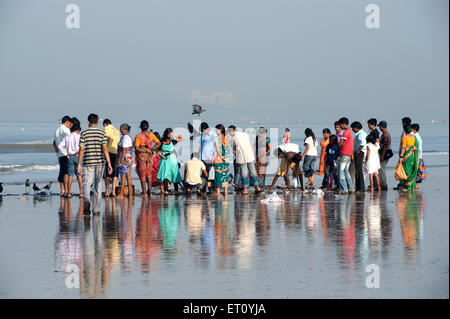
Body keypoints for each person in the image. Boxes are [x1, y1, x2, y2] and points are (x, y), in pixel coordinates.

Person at [77, 113, 113, 214]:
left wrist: (79, 163)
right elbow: (105, 149)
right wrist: (109, 164)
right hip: (100, 162)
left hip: (88, 161)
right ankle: (96, 208)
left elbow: (81, 149)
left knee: (86, 184)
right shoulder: (102, 134)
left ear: (88, 122)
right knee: (98, 184)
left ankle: (87, 200)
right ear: (97, 123)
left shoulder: (84, 134)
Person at [228, 125, 261, 194]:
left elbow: (234, 150)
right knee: (253, 172)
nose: (229, 133)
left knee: (244, 173)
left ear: (232, 131)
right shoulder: (245, 134)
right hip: (249, 155)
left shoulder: (233, 138)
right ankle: (257, 187)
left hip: (241, 157)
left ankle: (245, 189)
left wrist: (237, 157)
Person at [134, 120, 161, 197]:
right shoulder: (151, 135)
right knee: (149, 174)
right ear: (148, 126)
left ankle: (144, 193)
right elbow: (159, 143)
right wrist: (151, 149)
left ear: (140, 127)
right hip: (149, 155)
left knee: (142, 174)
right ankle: (150, 192)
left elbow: (137, 148)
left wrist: (145, 150)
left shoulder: (138, 136)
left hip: (142, 155)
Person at [58, 117, 82, 198]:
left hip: (70, 157)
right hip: (77, 156)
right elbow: (80, 147)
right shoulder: (79, 137)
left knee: (70, 175)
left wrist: (66, 154)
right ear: (78, 129)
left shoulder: (67, 137)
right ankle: (81, 192)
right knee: (79, 175)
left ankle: (68, 192)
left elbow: (60, 146)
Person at [157, 128, 183, 195]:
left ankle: (176, 189)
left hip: (172, 158)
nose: (171, 134)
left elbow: (181, 137)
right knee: (166, 174)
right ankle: (166, 190)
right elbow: (157, 151)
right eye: (170, 133)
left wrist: (174, 135)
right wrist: (163, 156)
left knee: (174, 172)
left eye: (172, 133)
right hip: (165, 158)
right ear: (167, 134)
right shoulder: (161, 141)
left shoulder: (172, 141)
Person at [54, 116, 73, 196]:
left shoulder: (57, 130)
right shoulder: (66, 130)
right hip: (66, 153)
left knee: (62, 171)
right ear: (67, 122)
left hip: (59, 154)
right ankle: (65, 190)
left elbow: (55, 142)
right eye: (70, 124)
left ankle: (62, 190)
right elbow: (68, 142)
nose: (70, 126)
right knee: (66, 173)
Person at [398, 125, 419, 192]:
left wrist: (401, 157)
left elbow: (403, 148)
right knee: (412, 170)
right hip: (413, 156)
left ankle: (407, 187)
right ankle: (412, 187)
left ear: (405, 130)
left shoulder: (405, 137)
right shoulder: (414, 137)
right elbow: (416, 147)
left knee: (407, 171)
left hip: (407, 157)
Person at [103, 119, 120, 197]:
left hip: (108, 152)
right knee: (115, 172)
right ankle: (113, 191)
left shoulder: (106, 128)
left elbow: (106, 139)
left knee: (107, 172)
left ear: (105, 124)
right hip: (116, 152)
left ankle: (107, 191)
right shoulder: (116, 130)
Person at [213, 124, 232, 195]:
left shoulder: (217, 138)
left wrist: (212, 159)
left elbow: (216, 150)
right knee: (225, 175)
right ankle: (225, 191)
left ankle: (218, 192)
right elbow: (229, 149)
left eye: (216, 129)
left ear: (220, 130)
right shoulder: (228, 138)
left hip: (218, 159)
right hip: (226, 159)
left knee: (218, 175)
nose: (215, 131)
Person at [337, 117, 355, 194]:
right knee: (346, 171)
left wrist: (336, 146)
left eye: (340, 125)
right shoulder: (349, 132)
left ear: (344, 124)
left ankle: (344, 189)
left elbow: (341, 143)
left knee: (340, 171)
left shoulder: (346, 132)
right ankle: (351, 188)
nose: (340, 127)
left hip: (344, 153)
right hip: (348, 154)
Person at [117, 124, 134, 199]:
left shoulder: (124, 137)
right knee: (128, 176)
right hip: (129, 156)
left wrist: (121, 159)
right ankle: (130, 194)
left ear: (124, 130)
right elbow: (130, 148)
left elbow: (124, 149)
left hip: (124, 156)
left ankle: (121, 194)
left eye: (121, 129)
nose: (120, 131)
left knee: (123, 175)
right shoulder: (130, 137)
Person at [394, 117, 412, 190]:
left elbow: (404, 146)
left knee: (403, 169)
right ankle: (403, 183)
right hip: (407, 154)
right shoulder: (410, 133)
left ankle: (403, 184)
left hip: (404, 154)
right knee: (404, 169)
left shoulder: (405, 133)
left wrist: (401, 156)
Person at [199, 122, 217, 192]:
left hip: (210, 157)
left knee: (210, 173)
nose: (203, 132)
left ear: (206, 129)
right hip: (203, 157)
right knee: (204, 173)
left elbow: (216, 147)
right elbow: (201, 145)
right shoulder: (202, 135)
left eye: (203, 131)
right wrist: (198, 154)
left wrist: (214, 157)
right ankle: (203, 188)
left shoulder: (213, 134)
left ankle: (210, 188)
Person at [351, 121, 367, 193]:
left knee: (359, 170)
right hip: (359, 152)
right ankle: (359, 187)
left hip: (360, 152)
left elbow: (362, 143)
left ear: (357, 128)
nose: (352, 130)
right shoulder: (360, 134)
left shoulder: (361, 134)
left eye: (353, 128)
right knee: (358, 170)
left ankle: (360, 188)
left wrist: (358, 151)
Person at [378, 121, 392, 190]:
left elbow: (385, 146)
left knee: (382, 169)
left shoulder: (385, 135)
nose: (379, 128)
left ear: (381, 127)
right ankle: (383, 184)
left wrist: (382, 156)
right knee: (381, 169)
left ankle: (383, 184)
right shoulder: (385, 134)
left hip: (385, 153)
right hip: (385, 153)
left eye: (379, 126)